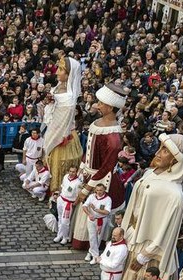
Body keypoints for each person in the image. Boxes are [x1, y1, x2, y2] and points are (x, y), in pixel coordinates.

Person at [111, 134, 183, 280]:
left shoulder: (174, 194)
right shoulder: (150, 173)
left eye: (165, 150)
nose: (157, 153)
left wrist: (145, 255)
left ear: (175, 159)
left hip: (148, 248)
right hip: (133, 234)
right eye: (160, 148)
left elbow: (166, 230)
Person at [72, 84, 128, 251]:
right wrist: (82, 166)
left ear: (110, 107)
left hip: (102, 180)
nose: (97, 105)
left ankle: (92, 244)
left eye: (101, 103)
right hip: (89, 173)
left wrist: (87, 188)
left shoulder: (113, 138)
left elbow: (106, 167)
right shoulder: (97, 123)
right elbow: (89, 150)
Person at [42, 56, 84, 189]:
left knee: (60, 162)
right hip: (53, 129)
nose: (56, 72)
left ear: (68, 74)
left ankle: (60, 189)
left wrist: (60, 135)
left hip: (63, 134)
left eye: (60, 70)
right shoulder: (58, 87)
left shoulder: (69, 97)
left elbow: (65, 120)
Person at [82, 183, 112, 264]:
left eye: (101, 190)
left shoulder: (108, 199)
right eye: (97, 190)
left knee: (98, 238)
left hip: (102, 220)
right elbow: (84, 206)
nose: (99, 192)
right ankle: (95, 256)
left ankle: (90, 253)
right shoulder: (92, 196)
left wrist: (95, 209)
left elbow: (107, 212)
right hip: (91, 220)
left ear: (104, 190)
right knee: (92, 237)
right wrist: (89, 214)